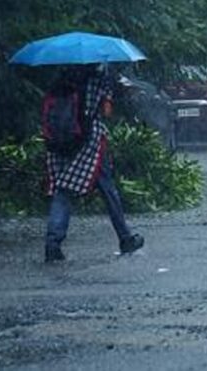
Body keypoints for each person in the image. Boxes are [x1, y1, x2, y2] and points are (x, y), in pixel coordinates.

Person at [44, 65, 144, 262]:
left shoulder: (61, 77)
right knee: (108, 189)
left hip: (61, 143)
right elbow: (106, 111)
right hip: (90, 142)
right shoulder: (99, 77)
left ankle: (52, 244)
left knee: (63, 190)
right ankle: (125, 237)